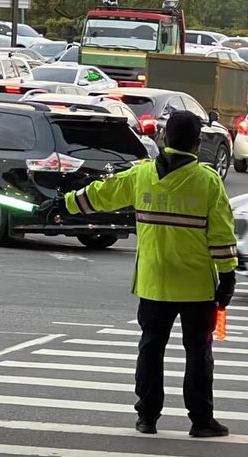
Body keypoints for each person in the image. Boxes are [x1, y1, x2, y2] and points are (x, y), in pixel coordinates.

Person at [63, 111, 238, 438]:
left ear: (163, 139)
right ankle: (201, 421)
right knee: (199, 353)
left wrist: (67, 202)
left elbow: (103, 194)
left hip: (153, 282)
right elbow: (222, 235)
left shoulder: (141, 176)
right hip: (197, 286)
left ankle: (147, 417)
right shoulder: (207, 181)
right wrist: (227, 277)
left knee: (150, 349)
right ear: (198, 144)